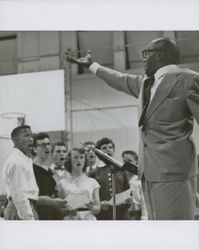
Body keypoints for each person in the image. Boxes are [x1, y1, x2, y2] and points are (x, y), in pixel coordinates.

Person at [66, 37, 199, 220]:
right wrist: (92, 65)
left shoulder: (188, 79)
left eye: (147, 53)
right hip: (148, 172)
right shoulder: (146, 82)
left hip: (175, 173)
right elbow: (120, 80)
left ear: (160, 54)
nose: (143, 58)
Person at [3, 125, 39, 220]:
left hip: (27, 207)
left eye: (31, 136)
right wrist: (29, 219)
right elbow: (19, 196)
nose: (31, 139)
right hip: (19, 209)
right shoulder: (16, 162)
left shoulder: (24, 159)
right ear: (15, 140)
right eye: (26, 136)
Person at [89, 137, 129, 220]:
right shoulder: (93, 173)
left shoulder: (122, 171)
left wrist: (128, 200)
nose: (108, 150)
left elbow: (127, 191)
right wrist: (99, 204)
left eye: (110, 147)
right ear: (98, 152)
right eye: (104, 148)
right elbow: (90, 196)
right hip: (103, 214)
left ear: (114, 150)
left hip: (121, 213)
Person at [56, 147, 101, 220]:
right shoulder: (61, 183)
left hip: (88, 219)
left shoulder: (92, 182)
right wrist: (68, 211)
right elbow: (59, 209)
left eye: (81, 157)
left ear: (85, 160)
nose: (79, 160)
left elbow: (98, 209)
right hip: (70, 219)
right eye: (75, 157)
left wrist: (91, 206)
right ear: (69, 160)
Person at [33, 133, 69, 220]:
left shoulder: (49, 171)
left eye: (48, 144)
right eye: (43, 145)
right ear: (34, 149)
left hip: (51, 217)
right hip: (36, 216)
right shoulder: (30, 170)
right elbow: (27, 197)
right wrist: (51, 201)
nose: (47, 147)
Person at [122, 150, 148, 220]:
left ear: (136, 162)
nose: (126, 163)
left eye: (129, 160)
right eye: (124, 161)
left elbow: (144, 203)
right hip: (121, 214)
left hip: (136, 215)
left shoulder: (140, 181)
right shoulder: (121, 179)